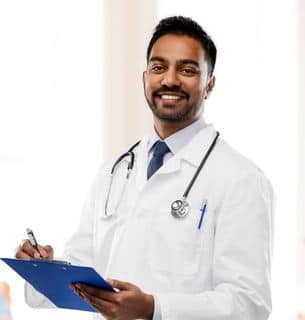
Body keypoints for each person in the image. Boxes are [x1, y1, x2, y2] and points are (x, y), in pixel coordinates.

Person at [15, 16, 275, 320]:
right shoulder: (115, 171)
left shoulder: (241, 179)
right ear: (145, 78)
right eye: (158, 67)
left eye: (188, 70)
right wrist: (43, 269)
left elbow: (249, 304)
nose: (170, 80)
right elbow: (85, 268)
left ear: (210, 84)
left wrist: (154, 308)